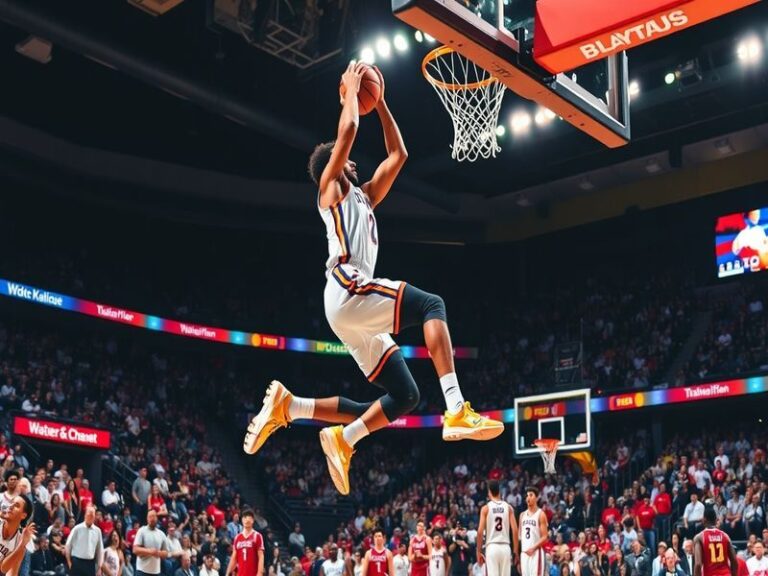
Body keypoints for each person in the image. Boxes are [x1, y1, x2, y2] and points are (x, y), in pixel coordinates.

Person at [242, 61, 503, 495]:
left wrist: (380, 105)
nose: (352, 160)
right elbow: (344, 136)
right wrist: (349, 94)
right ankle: (456, 408)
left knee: (405, 396)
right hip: (347, 289)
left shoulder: (364, 198)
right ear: (335, 164)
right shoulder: (330, 188)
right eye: (344, 158)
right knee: (431, 305)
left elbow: (399, 155)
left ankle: (311, 418)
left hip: (351, 306)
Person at [477, 479, 518, 576]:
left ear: (489, 492)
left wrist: (478, 552)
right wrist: (515, 551)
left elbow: (479, 532)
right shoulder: (508, 507)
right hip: (505, 547)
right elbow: (515, 531)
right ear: (499, 491)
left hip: (492, 547)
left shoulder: (485, 508)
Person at [693, 505, 737, 576]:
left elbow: (698, 564)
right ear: (716, 520)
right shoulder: (725, 536)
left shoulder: (699, 537)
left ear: (704, 519)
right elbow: (734, 560)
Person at [65, 505, 103, 576]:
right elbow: (68, 545)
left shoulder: (98, 531)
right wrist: (69, 562)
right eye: (89, 514)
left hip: (90, 563)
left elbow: (100, 550)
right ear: (85, 515)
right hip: (77, 562)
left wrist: (99, 566)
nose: (91, 517)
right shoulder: (77, 528)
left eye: (92, 515)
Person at [226, 509, 264, 576]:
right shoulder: (237, 538)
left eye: (249, 518)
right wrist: (227, 573)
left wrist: (259, 573)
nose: (246, 520)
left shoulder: (257, 536)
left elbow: (261, 556)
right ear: (242, 520)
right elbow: (233, 558)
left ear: (252, 520)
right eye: (245, 518)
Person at [133, 510, 172, 576]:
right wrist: (150, 551)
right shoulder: (141, 531)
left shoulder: (161, 534)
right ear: (147, 519)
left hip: (156, 572)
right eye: (150, 517)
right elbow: (135, 549)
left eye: (153, 516)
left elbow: (166, 553)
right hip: (142, 571)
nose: (152, 519)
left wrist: (158, 553)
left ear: (157, 518)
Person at [520, 487, 549, 576]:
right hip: (524, 554)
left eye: (531, 495)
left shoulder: (541, 514)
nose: (528, 497)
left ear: (537, 498)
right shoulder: (522, 515)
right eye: (527, 496)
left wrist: (533, 548)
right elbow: (520, 537)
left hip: (536, 553)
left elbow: (545, 537)